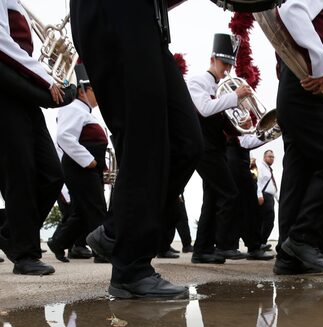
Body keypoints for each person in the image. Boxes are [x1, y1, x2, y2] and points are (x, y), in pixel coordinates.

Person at [70, 0, 203, 298]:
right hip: (114, 11)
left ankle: (116, 230)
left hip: (147, 17)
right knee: (144, 136)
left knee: (186, 142)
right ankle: (130, 269)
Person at [273, 0, 323, 275]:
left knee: (298, 174)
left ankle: (288, 257)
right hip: (307, 90)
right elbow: (292, 11)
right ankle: (301, 238)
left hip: (293, 89)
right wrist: (322, 62)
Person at [0, 0, 64, 275]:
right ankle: (25, 254)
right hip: (5, 91)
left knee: (52, 175)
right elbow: (3, 43)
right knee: (20, 173)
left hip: (24, 92)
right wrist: (45, 77)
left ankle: (8, 233)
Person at [187, 33, 255, 264]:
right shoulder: (197, 82)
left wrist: (241, 124)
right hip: (202, 147)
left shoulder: (221, 88)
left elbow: (223, 120)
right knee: (230, 193)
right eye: (224, 63)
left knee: (212, 197)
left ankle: (202, 251)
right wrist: (235, 96)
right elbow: (205, 109)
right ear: (212, 58)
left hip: (215, 146)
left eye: (230, 64)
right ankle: (225, 245)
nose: (227, 69)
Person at [48, 64, 109, 264]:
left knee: (83, 210)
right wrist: (88, 160)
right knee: (96, 208)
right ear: (85, 90)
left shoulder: (85, 111)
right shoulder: (72, 107)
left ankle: (58, 242)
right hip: (80, 167)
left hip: (87, 167)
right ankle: (102, 250)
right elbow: (64, 137)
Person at [257, 149, 278, 248]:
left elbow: (272, 187)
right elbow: (258, 182)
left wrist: (279, 199)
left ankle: (262, 242)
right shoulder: (261, 167)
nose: (272, 159)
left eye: (273, 157)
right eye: (270, 156)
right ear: (264, 157)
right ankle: (260, 243)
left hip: (270, 197)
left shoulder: (269, 169)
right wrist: (259, 195)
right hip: (264, 196)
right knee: (267, 220)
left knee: (267, 221)